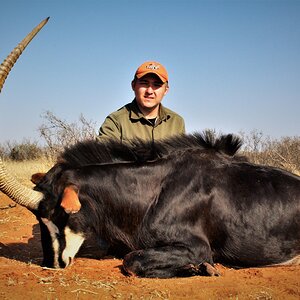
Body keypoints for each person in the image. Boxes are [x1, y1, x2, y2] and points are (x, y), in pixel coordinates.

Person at [61, 61, 185, 213]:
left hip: (167, 203)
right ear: (133, 85)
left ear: (166, 90)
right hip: (127, 201)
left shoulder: (177, 122)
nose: (150, 91)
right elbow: (96, 162)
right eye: (144, 83)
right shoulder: (115, 121)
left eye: (157, 85)